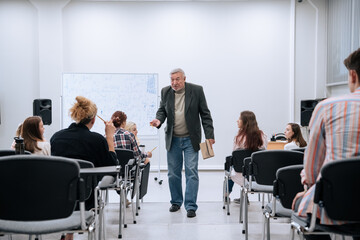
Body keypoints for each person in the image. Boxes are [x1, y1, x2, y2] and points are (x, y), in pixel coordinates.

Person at [292, 48, 360, 240]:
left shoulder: (327, 107)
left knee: (306, 208)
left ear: (353, 75)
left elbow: (312, 169)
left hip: (336, 205)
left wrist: (308, 190)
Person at [150, 68, 215, 218]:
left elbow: (205, 114)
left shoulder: (196, 90)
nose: (174, 83)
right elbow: (162, 111)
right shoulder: (165, 91)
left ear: (184, 78)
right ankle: (176, 202)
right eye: (172, 80)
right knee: (173, 174)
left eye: (177, 79)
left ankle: (191, 206)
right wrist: (158, 120)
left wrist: (209, 135)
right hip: (173, 139)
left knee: (191, 172)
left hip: (190, 138)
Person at [50, 96, 117, 240]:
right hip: (87, 199)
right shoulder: (97, 140)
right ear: (93, 120)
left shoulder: (56, 138)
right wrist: (110, 138)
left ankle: (68, 234)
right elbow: (112, 171)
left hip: (60, 197)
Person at [227, 111, 267, 203]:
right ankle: (245, 197)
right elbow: (263, 153)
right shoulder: (262, 135)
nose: (237, 121)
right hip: (257, 172)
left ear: (245, 122)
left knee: (233, 167)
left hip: (240, 170)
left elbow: (235, 154)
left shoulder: (239, 137)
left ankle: (226, 195)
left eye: (239, 119)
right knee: (246, 167)